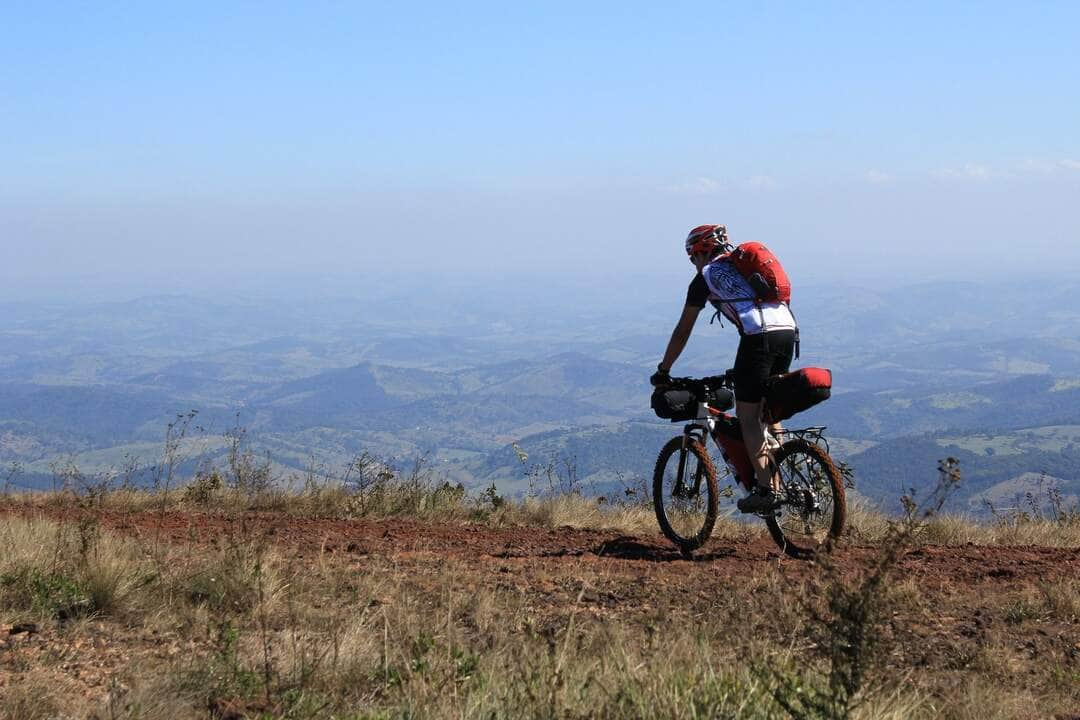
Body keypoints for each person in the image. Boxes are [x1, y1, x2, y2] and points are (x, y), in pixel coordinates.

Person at [650, 224, 798, 513]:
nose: (694, 264)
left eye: (693, 258)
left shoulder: (706, 277)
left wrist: (664, 369)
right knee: (768, 407)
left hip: (759, 337)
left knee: (748, 417)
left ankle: (768, 490)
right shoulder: (742, 268)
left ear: (701, 252)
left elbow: (683, 330)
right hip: (788, 332)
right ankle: (781, 457)